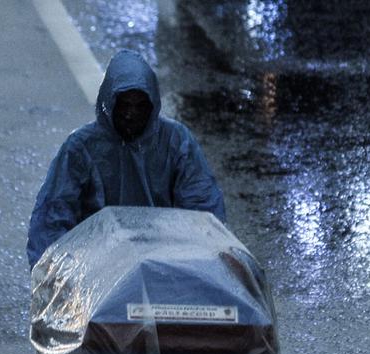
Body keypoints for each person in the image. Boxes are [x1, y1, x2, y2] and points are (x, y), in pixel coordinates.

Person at [26, 49, 226, 267]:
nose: (131, 114)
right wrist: (54, 269)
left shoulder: (175, 141)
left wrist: (208, 259)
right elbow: (54, 215)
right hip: (97, 262)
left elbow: (202, 209)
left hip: (164, 258)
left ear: (152, 106)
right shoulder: (81, 148)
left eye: (140, 106)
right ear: (111, 102)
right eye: (124, 104)